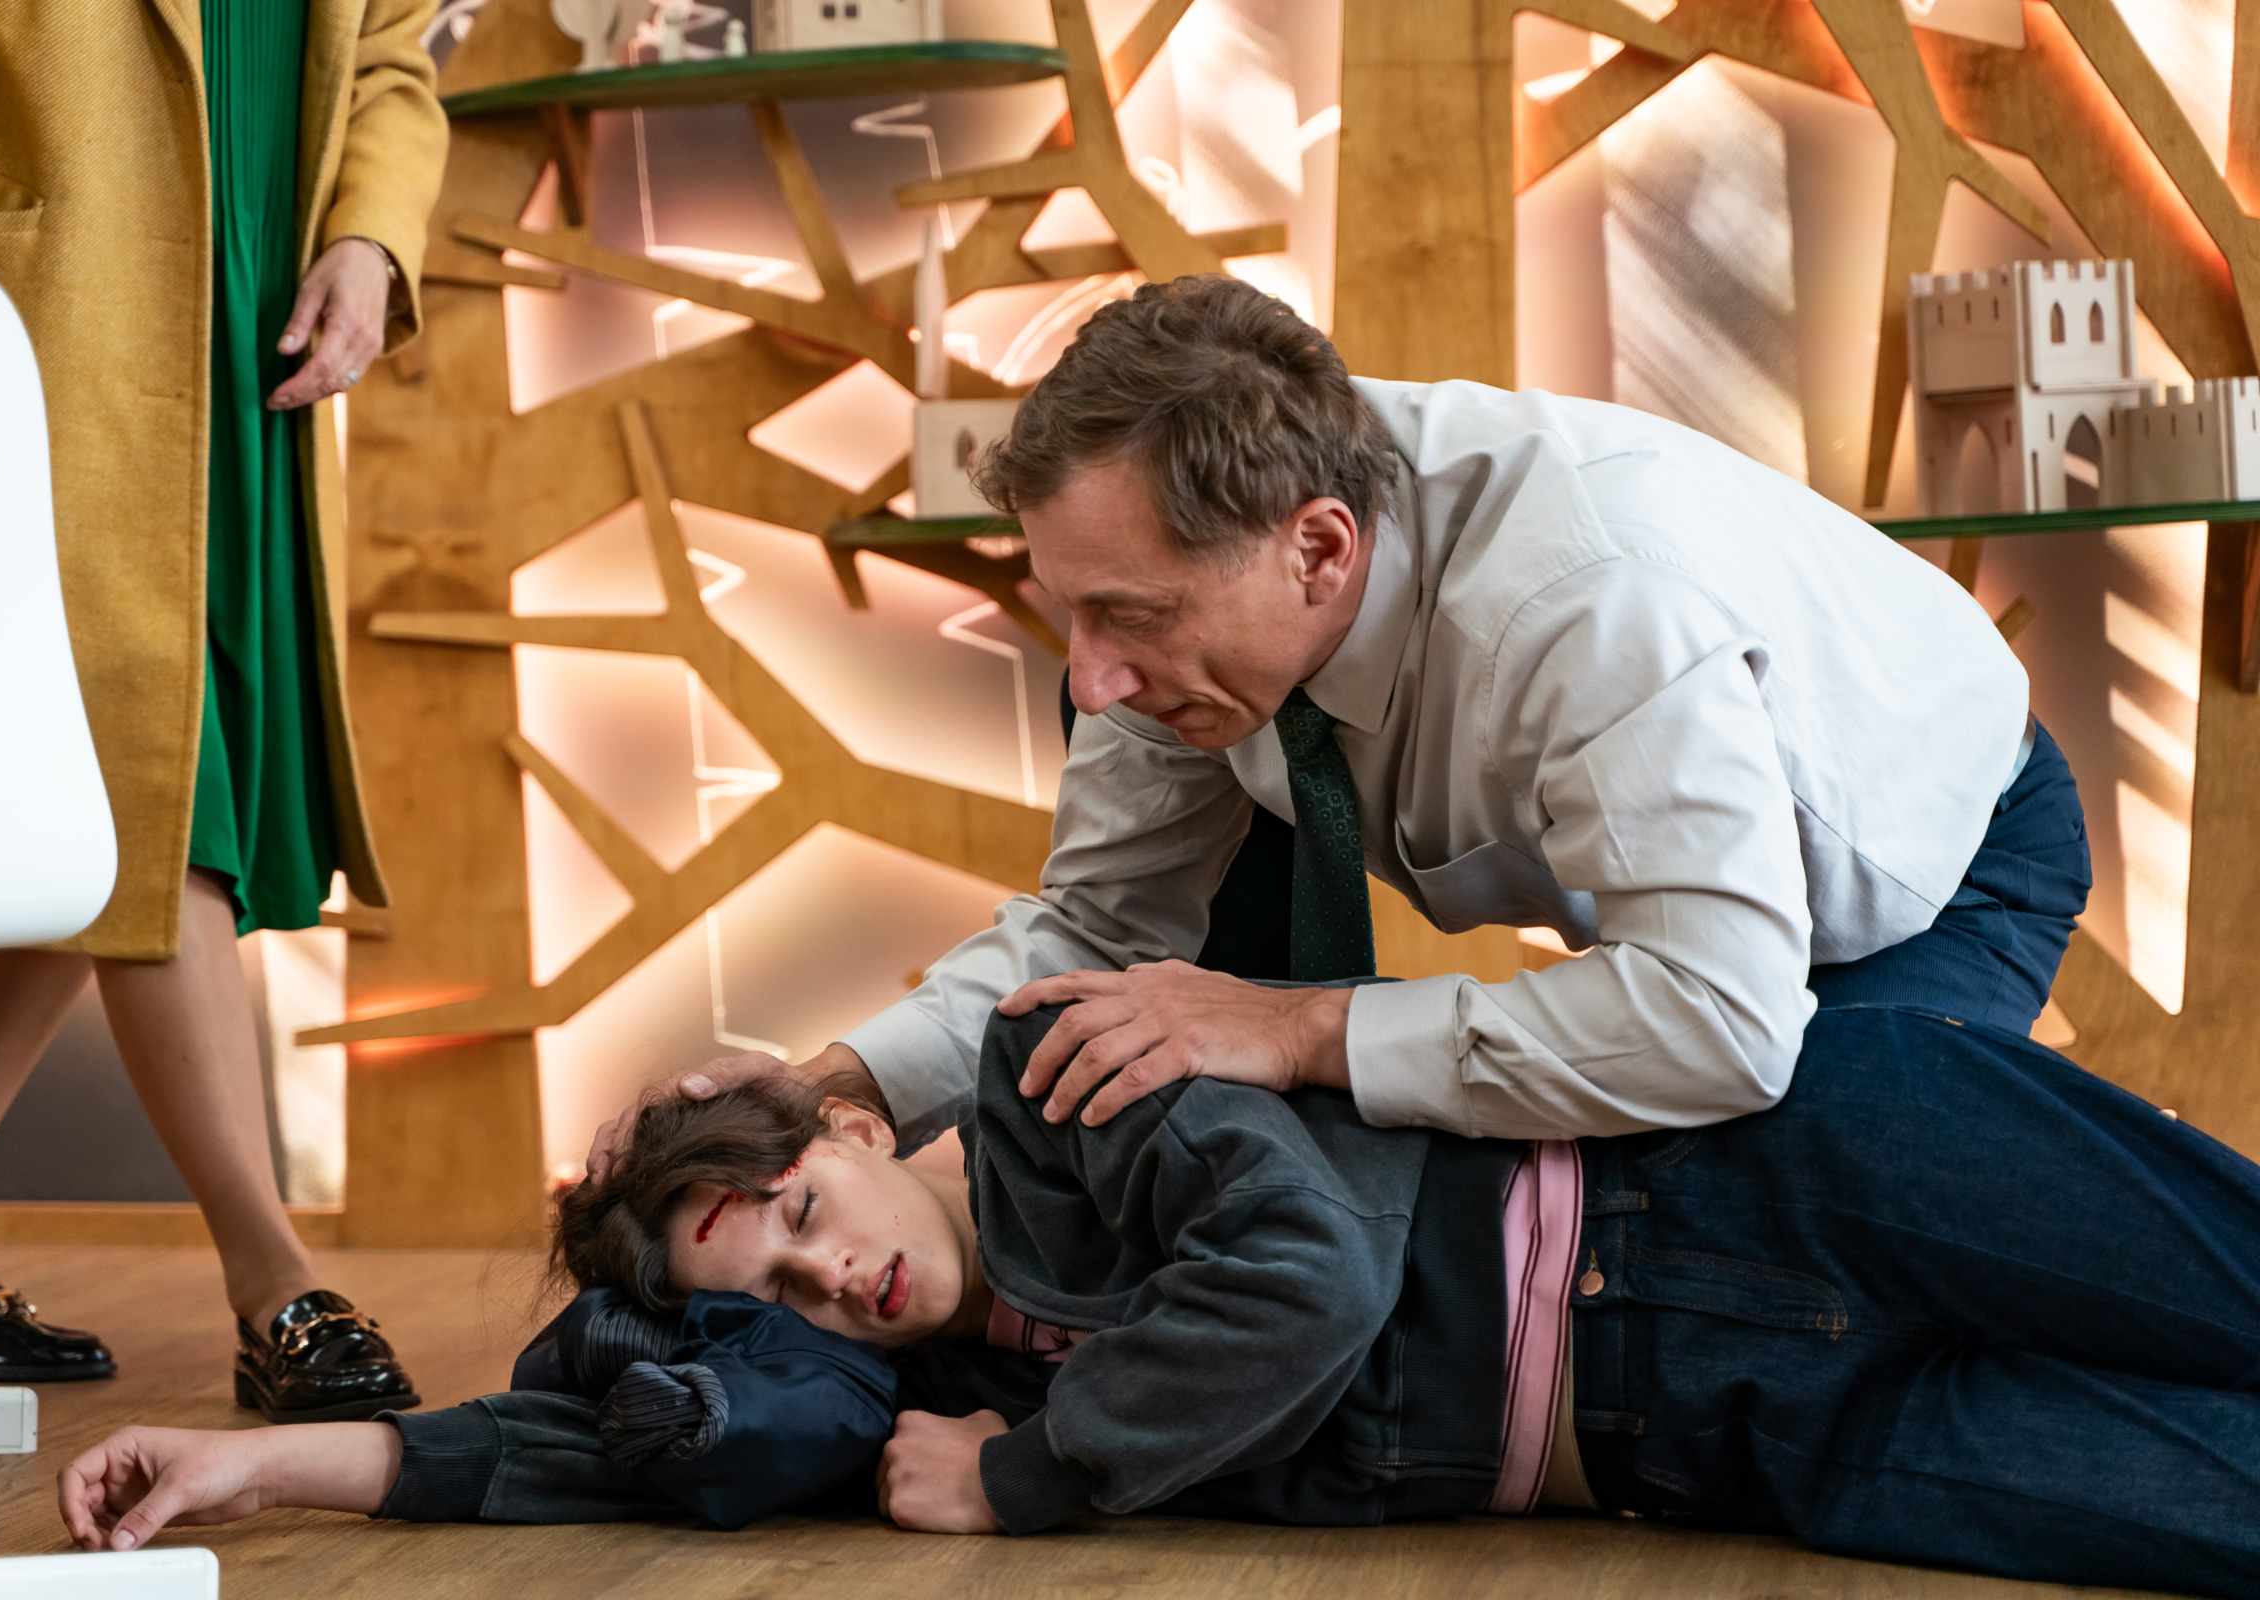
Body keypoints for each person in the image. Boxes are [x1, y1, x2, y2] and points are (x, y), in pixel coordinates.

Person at [585, 271, 2088, 1174]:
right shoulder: (1180, 599)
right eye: (1071, 615)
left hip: (1936, 862)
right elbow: (1100, 932)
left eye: (1128, 619)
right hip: (1699, 928)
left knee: (1779, 1200)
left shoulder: (1586, 602)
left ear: (1317, 548)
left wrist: (1299, 1028)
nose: (1091, 681)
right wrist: (835, 1083)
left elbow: (1715, 1022)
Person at [59, 1000, 2260, 1598]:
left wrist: (1034, 1481)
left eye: (807, 1202)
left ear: (845, 1122)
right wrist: (258, 1464)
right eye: (791, 1289)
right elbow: (561, 1438)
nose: (839, 1270)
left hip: (1800, 1177)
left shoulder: (1067, 1074)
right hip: (1727, 1440)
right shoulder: (895, 1398)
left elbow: (1310, 1275)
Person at [0, 0, 445, 1417]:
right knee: (153, 791)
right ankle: (273, 1276)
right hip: (34, 354)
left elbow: (390, 52)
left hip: (252, 356)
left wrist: (373, 237)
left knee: (79, 796)